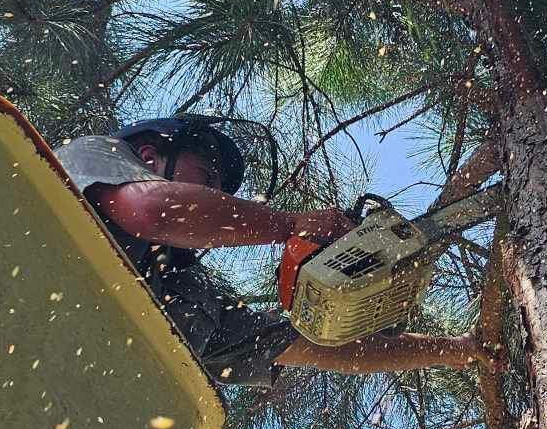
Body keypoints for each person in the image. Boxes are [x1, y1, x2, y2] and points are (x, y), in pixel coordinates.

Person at [55, 115, 484, 388]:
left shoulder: (183, 295)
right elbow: (151, 210)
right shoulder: (96, 153)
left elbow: (318, 348)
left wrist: (457, 350)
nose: (211, 195)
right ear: (150, 155)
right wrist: (292, 224)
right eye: (206, 178)